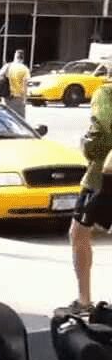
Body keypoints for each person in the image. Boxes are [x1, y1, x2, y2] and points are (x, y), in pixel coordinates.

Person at [70, 84, 112, 310]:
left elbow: (102, 128)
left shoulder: (105, 93)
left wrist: (88, 146)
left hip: (102, 177)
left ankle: (84, 300)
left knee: (79, 233)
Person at [0, 49, 31, 120]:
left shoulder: (7, 66)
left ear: (15, 57)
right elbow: (25, 85)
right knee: (20, 120)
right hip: (18, 98)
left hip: (7, 96)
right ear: (23, 58)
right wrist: (25, 99)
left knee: (7, 118)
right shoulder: (24, 69)